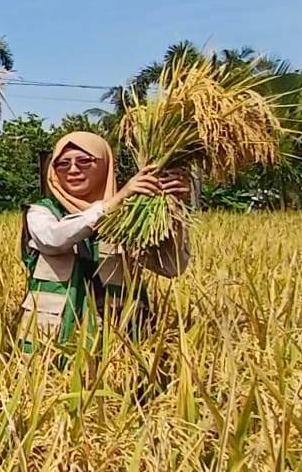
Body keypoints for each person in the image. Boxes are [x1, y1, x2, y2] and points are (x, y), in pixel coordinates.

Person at [20, 131, 191, 348]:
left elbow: (171, 266)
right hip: (49, 342)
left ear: (104, 166)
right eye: (62, 164)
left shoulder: (131, 216)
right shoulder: (41, 212)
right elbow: (53, 239)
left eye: (84, 161)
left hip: (119, 343)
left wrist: (173, 207)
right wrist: (113, 203)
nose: (72, 169)